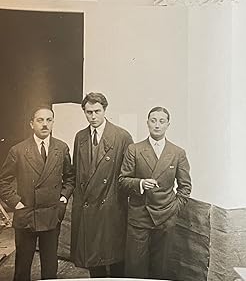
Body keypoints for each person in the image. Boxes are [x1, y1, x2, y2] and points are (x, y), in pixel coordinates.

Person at [0, 106, 75, 281]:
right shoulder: (18, 151)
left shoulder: (61, 148)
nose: (45, 124)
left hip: (51, 215)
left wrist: (62, 199)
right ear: (31, 124)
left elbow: (70, 177)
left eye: (49, 120)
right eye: (40, 120)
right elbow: (3, 181)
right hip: (26, 215)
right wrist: (16, 203)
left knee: (50, 268)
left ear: (53, 123)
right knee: (22, 268)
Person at [119, 106, 192, 279]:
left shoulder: (177, 153)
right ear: (147, 123)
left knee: (162, 267)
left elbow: (185, 187)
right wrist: (141, 183)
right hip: (139, 216)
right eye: (153, 121)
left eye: (161, 121)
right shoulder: (134, 150)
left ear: (168, 124)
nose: (157, 125)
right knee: (135, 267)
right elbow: (122, 181)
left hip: (166, 216)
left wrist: (174, 208)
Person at [70, 92, 133, 278]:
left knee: (114, 259)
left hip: (111, 208)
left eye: (97, 111)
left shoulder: (121, 136)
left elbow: (128, 176)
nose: (93, 116)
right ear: (84, 112)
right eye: (89, 112)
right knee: (93, 260)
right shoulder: (80, 137)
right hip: (87, 208)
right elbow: (76, 172)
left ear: (105, 110)